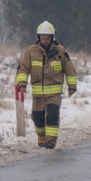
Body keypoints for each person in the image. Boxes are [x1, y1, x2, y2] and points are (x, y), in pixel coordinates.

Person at [15, 21, 78, 149]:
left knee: (52, 115)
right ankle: (42, 136)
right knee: (37, 118)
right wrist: (22, 84)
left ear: (52, 38)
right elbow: (23, 68)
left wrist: (72, 86)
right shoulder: (31, 51)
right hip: (38, 93)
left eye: (47, 38)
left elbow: (69, 69)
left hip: (54, 93)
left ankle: (51, 142)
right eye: (42, 38)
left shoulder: (60, 51)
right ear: (38, 37)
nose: (45, 40)